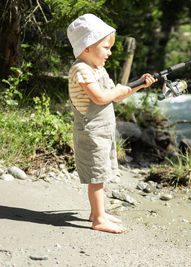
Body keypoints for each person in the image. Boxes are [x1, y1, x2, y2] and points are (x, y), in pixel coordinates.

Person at [67, 13, 156, 234]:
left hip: (103, 131)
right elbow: (99, 97)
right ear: (87, 47)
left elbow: (116, 96)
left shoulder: (97, 69)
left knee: (102, 172)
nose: (110, 52)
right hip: (91, 132)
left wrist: (138, 85)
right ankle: (98, 219)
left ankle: (98, 211)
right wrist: (117, 90)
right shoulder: (81, 69)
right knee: (96, 176)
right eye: (106, 47)